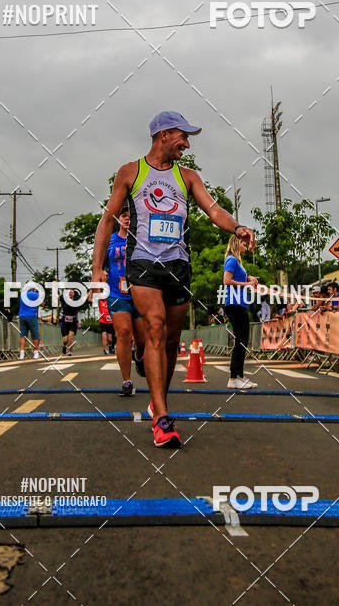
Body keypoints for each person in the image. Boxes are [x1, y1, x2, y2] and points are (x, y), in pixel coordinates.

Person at [92, 110, 255, 448]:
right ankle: (162, 419)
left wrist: (236, 226)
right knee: (154, 326)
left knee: (169, 343)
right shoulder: (130, 172)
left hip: (177, 266)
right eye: (183, 135)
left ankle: (158, 399)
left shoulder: (188, 177)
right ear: (163, 134)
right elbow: (107, 220)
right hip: (142, 265)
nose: (187, 142)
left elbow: (213, 209)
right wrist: (98, 266)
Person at [104, 206, 145, 396]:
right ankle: (127, 381)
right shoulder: (110, 240)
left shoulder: (141, 238)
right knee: (123, 333)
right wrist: (99, 273)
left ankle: (139, 355)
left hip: (139, 293)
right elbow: (100, 261)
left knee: (142, 340)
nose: (127, 219)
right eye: (124, 216)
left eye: (130, 216)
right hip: (117, 294)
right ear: (118, 219)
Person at [222, 235, 259, 389]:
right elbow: (227, 281)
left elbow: (238, 276)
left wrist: (249, 278)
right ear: (237, 245)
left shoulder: (237, 262)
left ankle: (240, 376)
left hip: (239, 303)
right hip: (234, 303)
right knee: (241, 341)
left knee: (242, 341)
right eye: (244, 245)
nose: (245, 247)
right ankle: (233, 377)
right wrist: (246, 283)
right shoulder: (231, 259)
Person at [18, 287, 40, 360]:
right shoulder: (35, 294)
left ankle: (21, 354)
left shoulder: (22, 294)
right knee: (35, 335)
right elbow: (42, 304)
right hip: (31, 315)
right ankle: (36, 353)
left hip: (22, 316)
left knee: (23, 335)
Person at [60, 289, 79, 356]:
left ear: (74, 294)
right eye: (69, 292)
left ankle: (70, 351)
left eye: (72, 292)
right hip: (65, 322)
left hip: (73, 321)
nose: (70, 293)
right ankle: (64, 346)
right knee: (65, 340)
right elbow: (57, 296)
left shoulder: (76, 301)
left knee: (71, 336)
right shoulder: (64, 300)